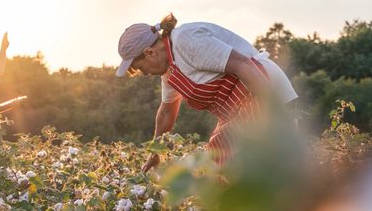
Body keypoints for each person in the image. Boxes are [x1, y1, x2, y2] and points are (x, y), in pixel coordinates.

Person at [116, 14, 298, 172]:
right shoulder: (170, 71)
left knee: (247, 170)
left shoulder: (185, 40)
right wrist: (155, 153)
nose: (144, 73)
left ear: (150, 53)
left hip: (263, 91)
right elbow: (166, 113)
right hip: (239, 111)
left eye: (140, 68)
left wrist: (276, 112)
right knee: (220, 164)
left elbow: (245, 66)